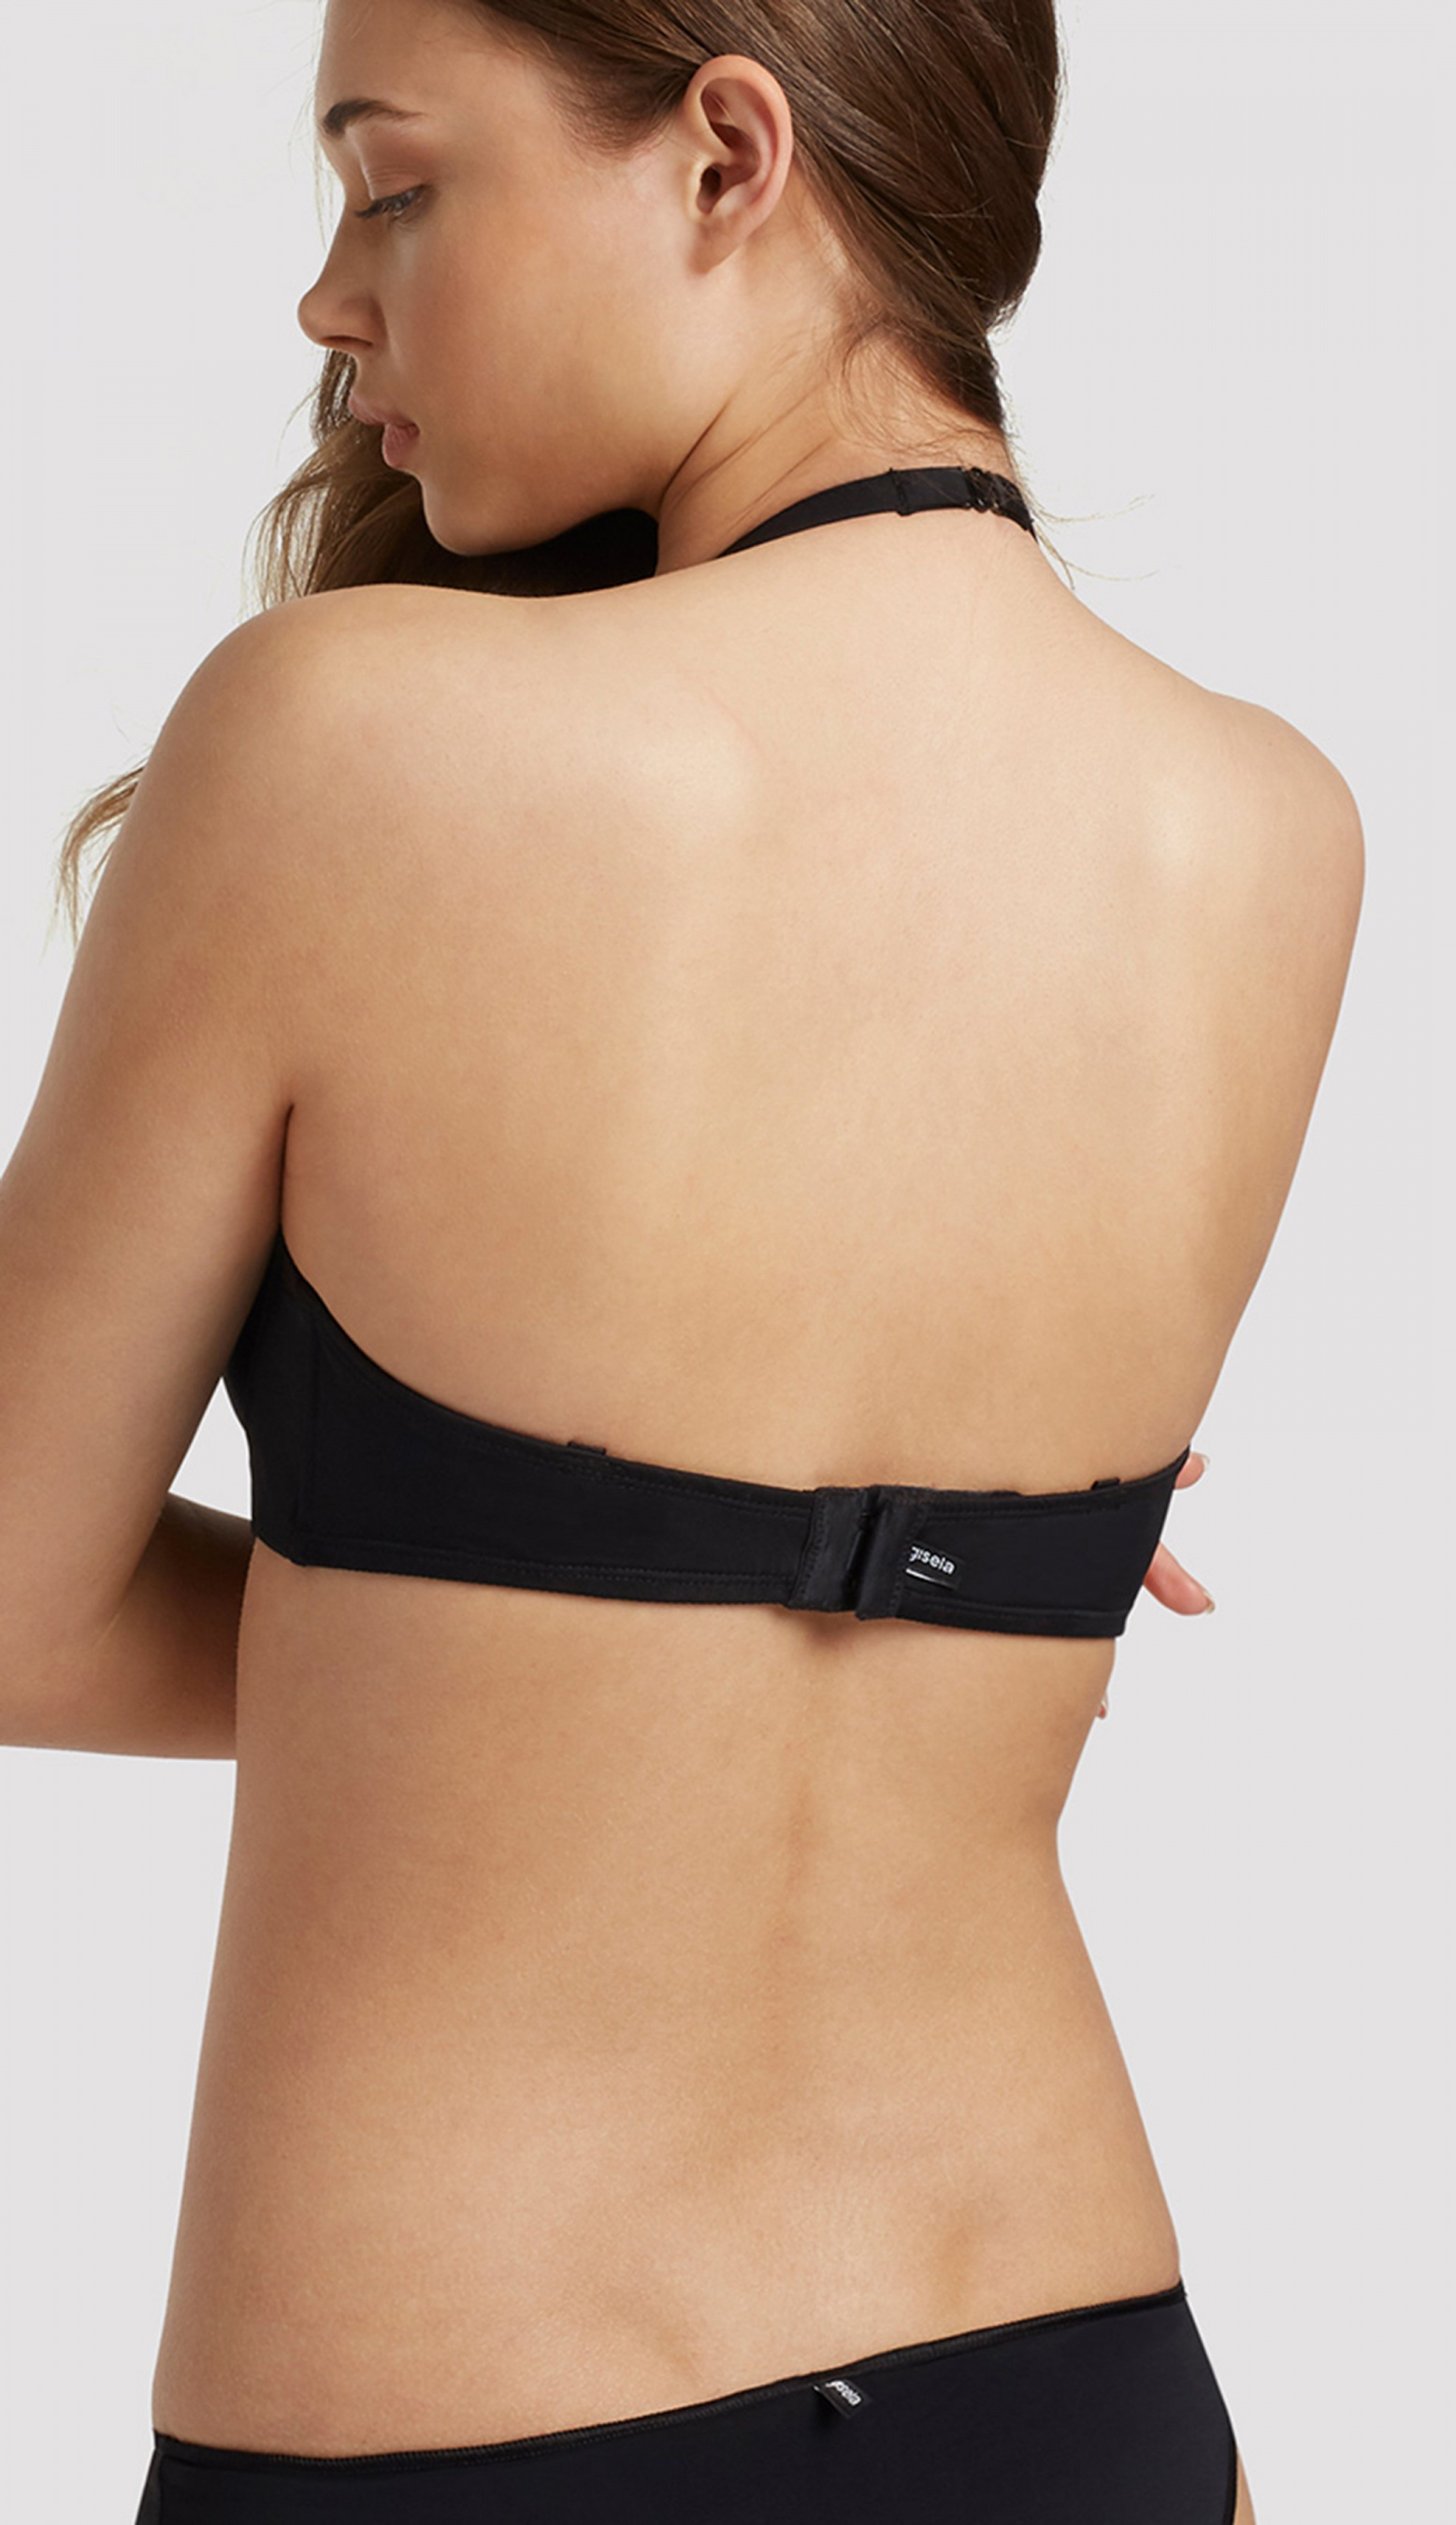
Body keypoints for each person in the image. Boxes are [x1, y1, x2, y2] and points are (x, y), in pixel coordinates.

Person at [0, 0, 1362, 2517]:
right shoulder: (1264, 828)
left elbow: (8, 1607)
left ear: (729, 153)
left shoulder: (344, 740)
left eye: (394, 181)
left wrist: (477, 1657)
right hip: (1070, 2387)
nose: (330, 295)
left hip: (464, 2414)